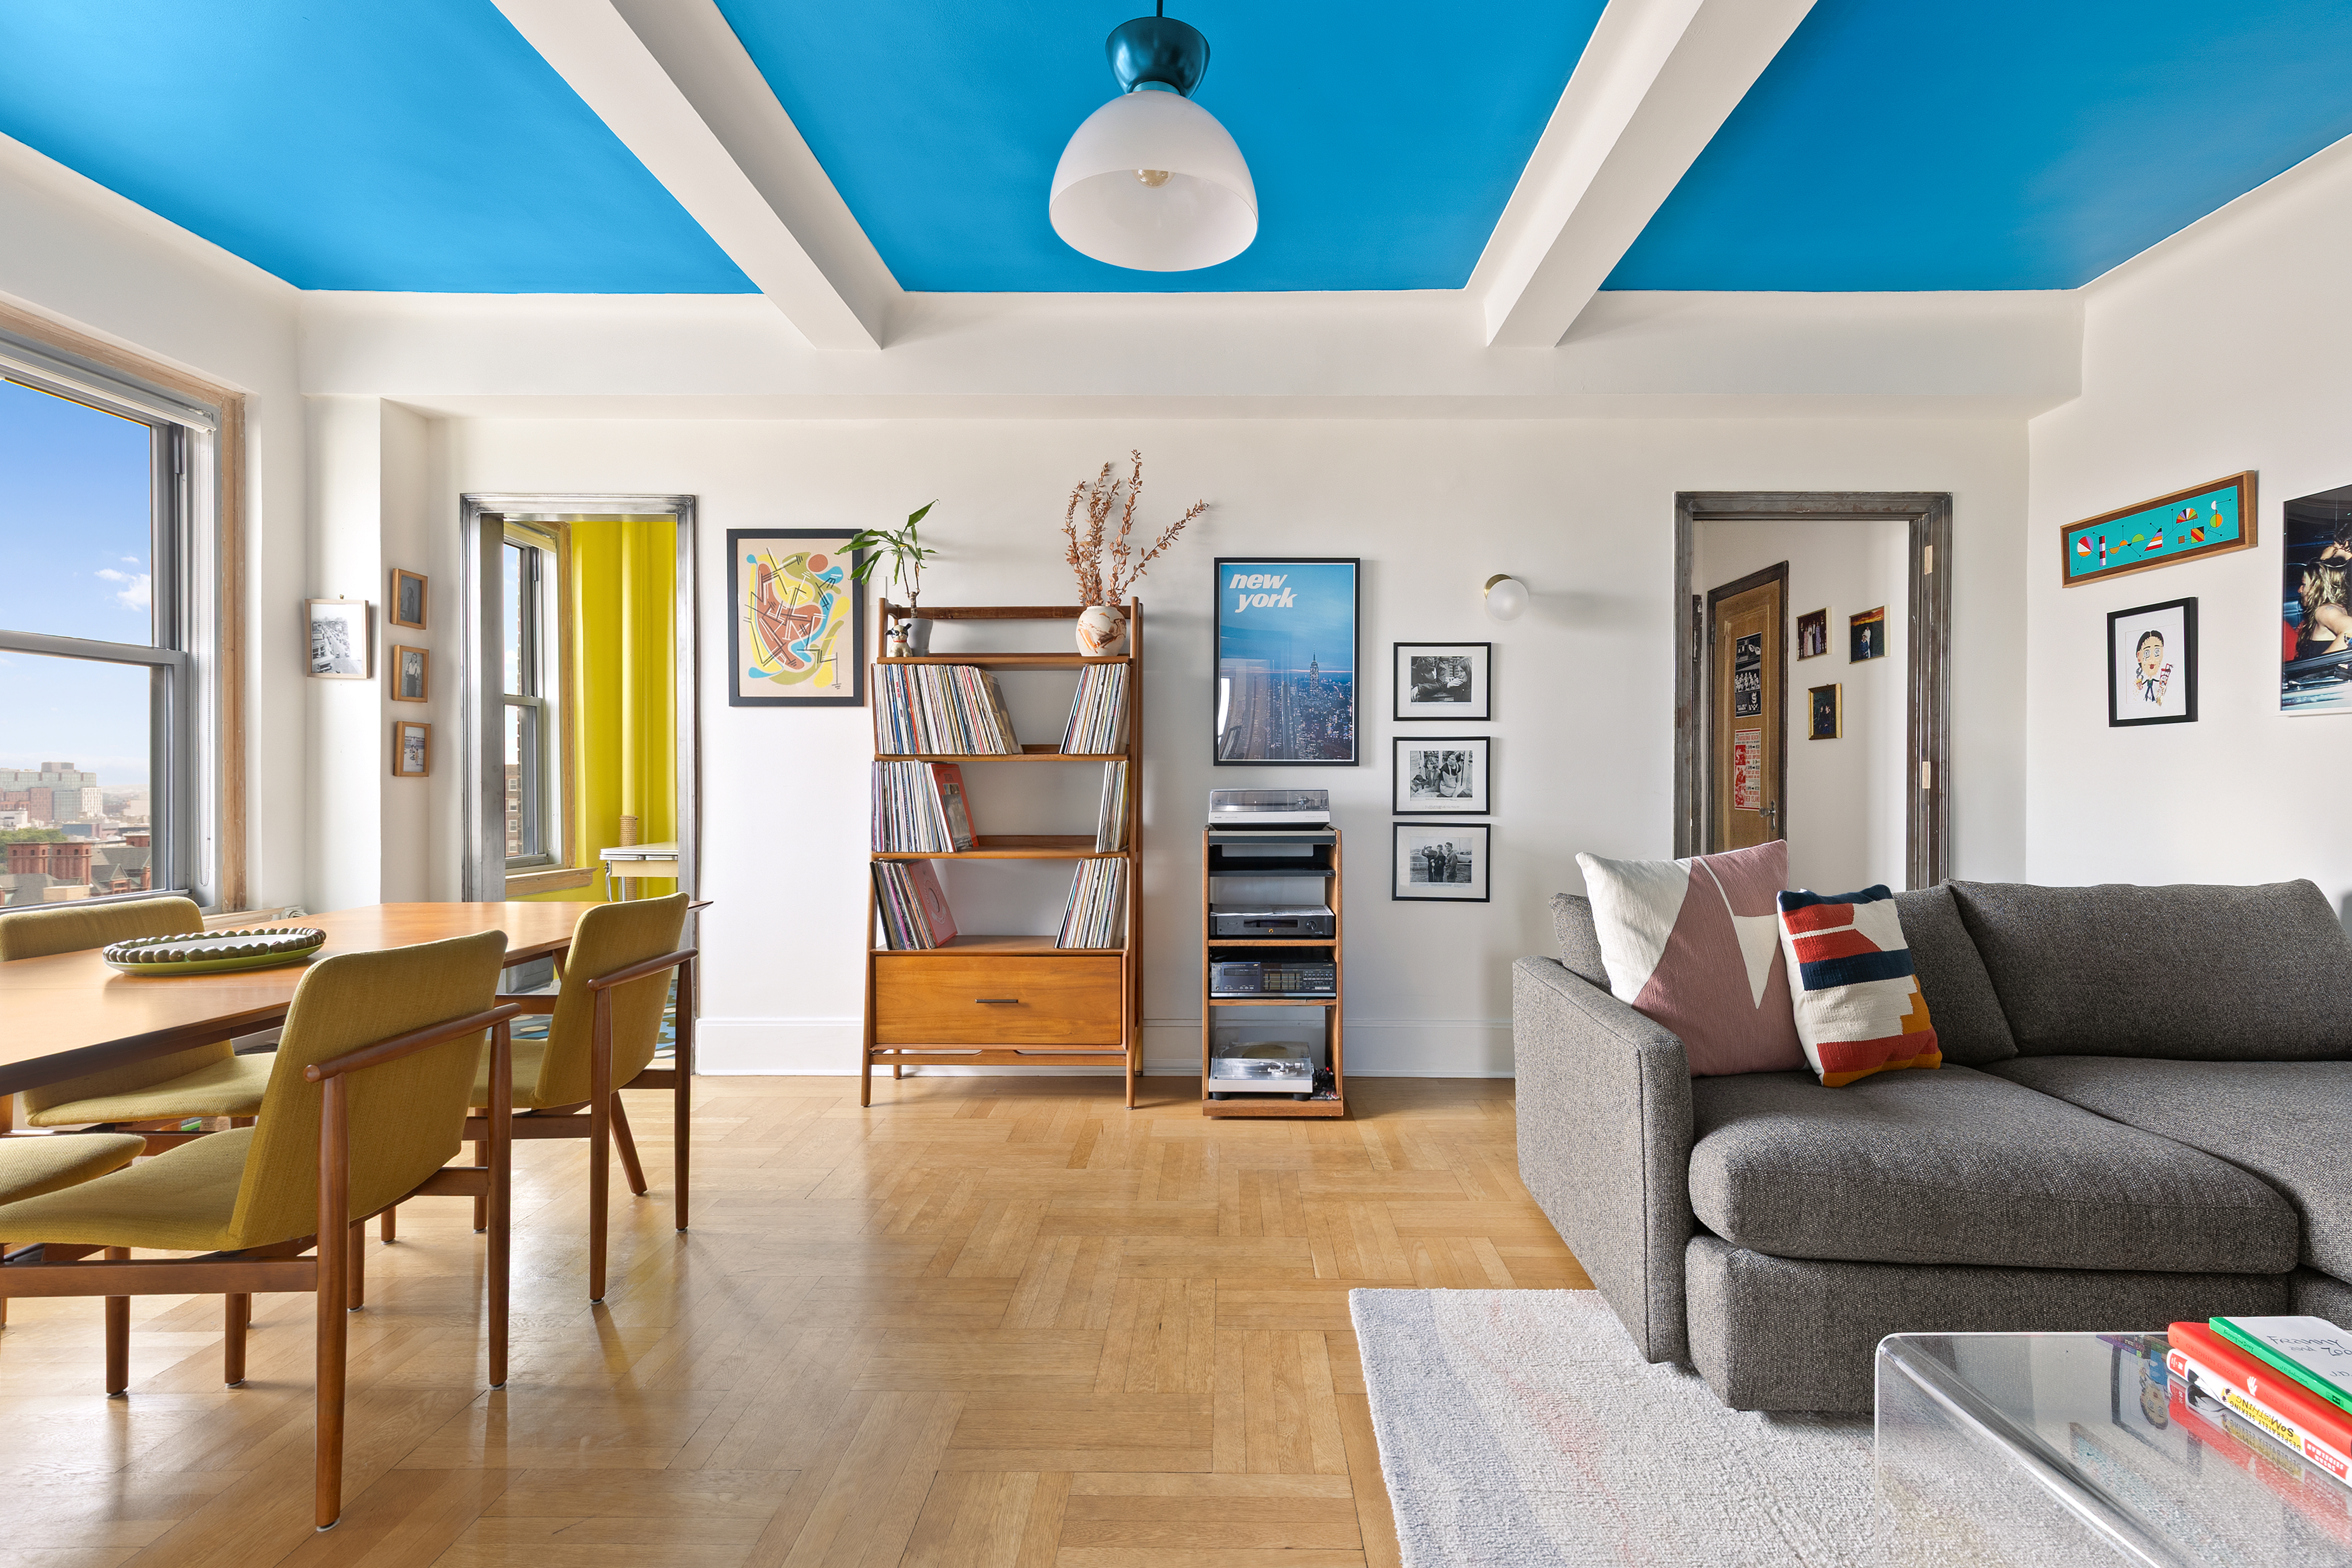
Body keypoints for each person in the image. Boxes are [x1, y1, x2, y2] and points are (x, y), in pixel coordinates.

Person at [2296, 526, 2352, 659]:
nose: (2299, 590)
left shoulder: (2326, 611)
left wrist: (2315, 669)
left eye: (2334, 544)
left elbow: (2350, 631)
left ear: (2346, 544)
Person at [2133, 627, 2171, 708]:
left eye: (2157, 652)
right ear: (2139, 656)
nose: (2152, 659)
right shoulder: (2137, 686)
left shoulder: (2164, 682)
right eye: (2147, 653)